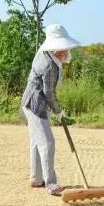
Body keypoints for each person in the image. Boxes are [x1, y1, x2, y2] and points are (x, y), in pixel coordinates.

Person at [21, 24, 80, 196]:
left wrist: (55, 110)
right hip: (36, 105)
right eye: (64, 48)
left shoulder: (45, 53)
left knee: (36, 142)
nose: (67, 51)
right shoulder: (49, 65)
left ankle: (36, 178)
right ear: (56, 49)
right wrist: (59, 111)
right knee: (47, 143)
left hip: (31, 102)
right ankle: (51, 184)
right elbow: (49, 93)